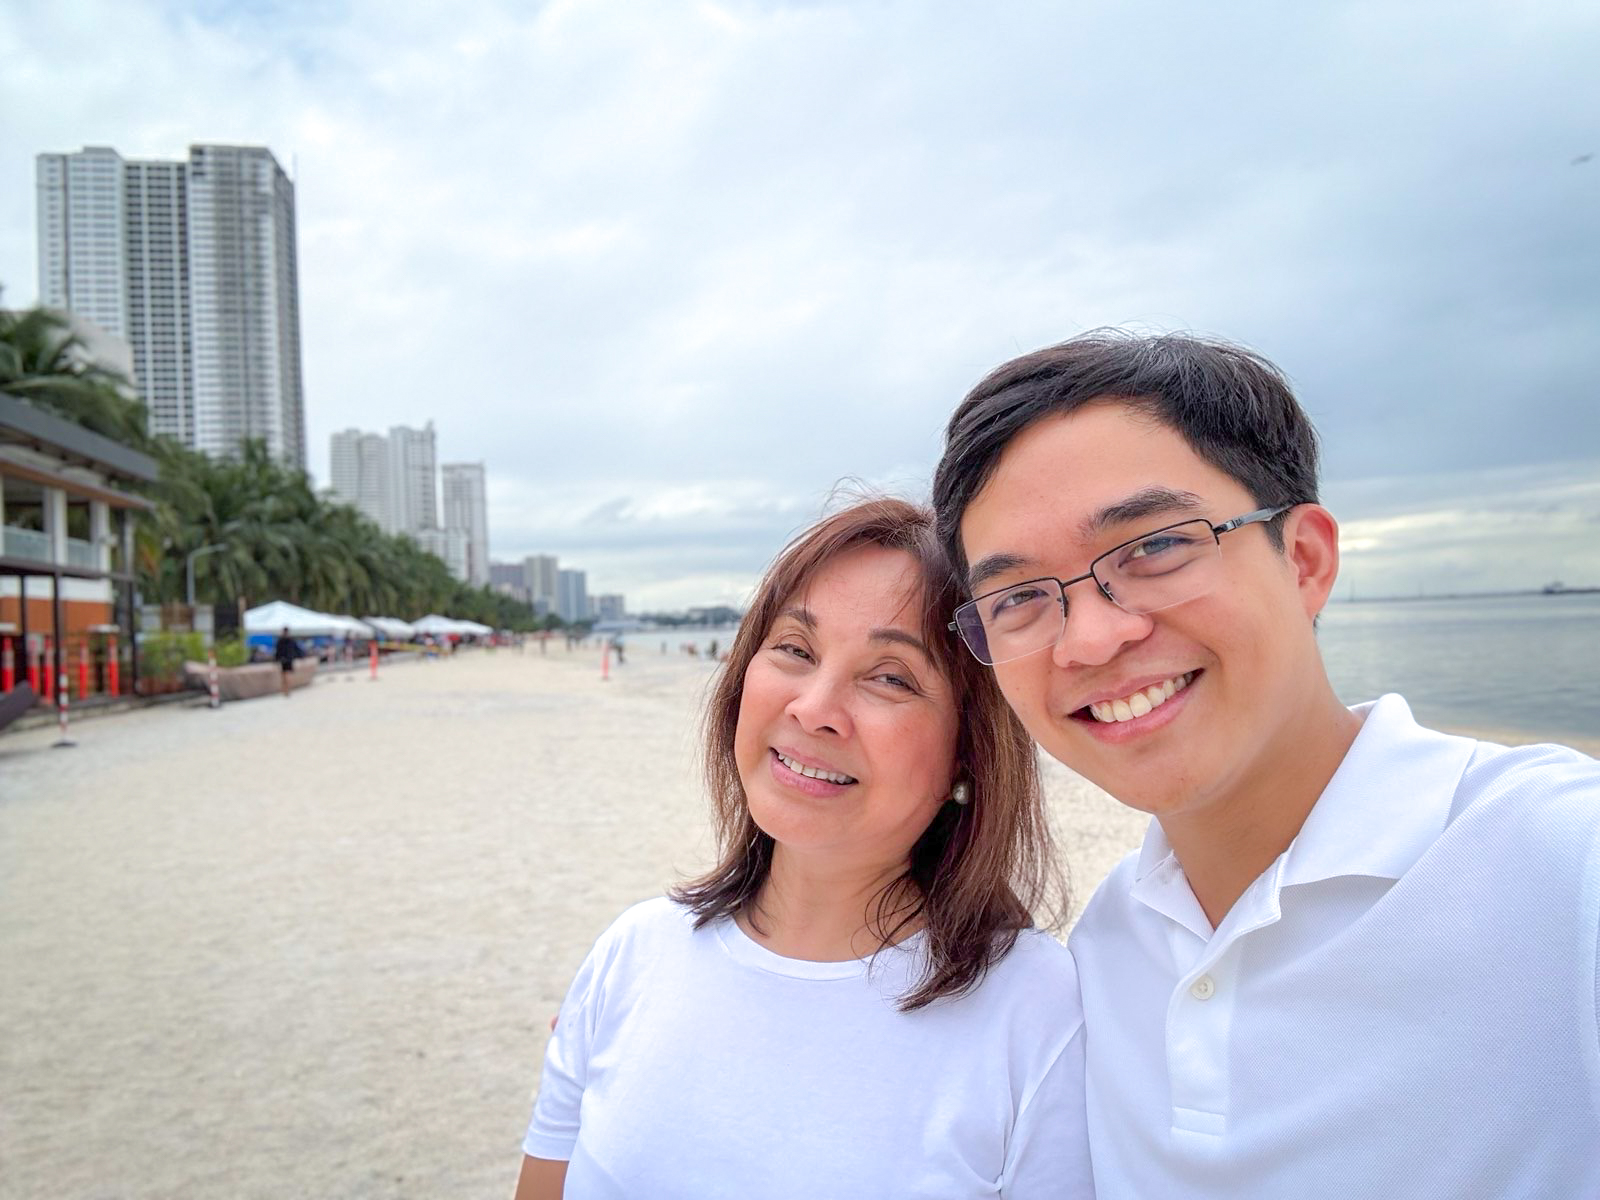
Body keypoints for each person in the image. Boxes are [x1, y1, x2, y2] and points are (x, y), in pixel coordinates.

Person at [930, 330, 1600, 1198]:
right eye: (1019, 598)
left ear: (1306, 561)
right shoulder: (1108, 943)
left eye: (1154, 547)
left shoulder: (1561, 865)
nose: (1091, 638)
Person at [513, 498, 1090, 1199]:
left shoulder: (1036, 1010)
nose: (814, 709)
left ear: (970, 750)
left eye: (890, 677)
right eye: (795, 649)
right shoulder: (630, 957)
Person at [272, 626, 300, 698]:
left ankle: (286, 690)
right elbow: (297, 649)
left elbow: (278, 651)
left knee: (285, 676)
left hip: (284, 660)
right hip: (288, 659)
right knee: (287, 675)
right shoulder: (290, 640)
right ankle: (287, 690)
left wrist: (277, 659)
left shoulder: (281, 640)